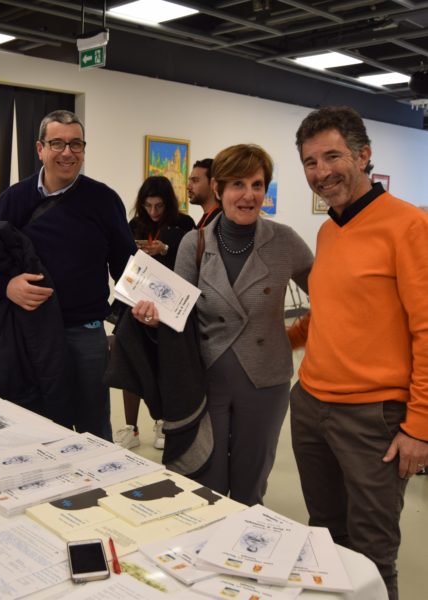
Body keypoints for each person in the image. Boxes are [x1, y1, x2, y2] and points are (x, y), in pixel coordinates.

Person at [288, 106, 428, 600]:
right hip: (311, 407)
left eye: (332, 156)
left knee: (371, 555)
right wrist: (278, 338)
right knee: (326, 538)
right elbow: (327, 313)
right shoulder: (329, 231)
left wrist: (419, 426)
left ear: (364, 155)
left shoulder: (409, 225)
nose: (321, 172)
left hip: (374, 419)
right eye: (310, 162)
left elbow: (426, 330)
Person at [133, 144, 313, 506]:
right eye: (237, 184)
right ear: (218, 188)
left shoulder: (284, 241)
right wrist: (152, 317)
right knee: (206, 484)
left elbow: (330, 296)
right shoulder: (195, 243)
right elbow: (178, 314)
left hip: (265, 382)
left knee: (250, 487)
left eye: (257, 185)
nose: (248, 195)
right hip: (206, 380)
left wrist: (296, 336)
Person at [0, 110, 135, 440]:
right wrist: (6, 286)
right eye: (57, 143)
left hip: (85, 335)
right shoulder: (15, 198)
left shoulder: (103, 200)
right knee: (35, 426)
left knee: (93, 430)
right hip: (28, 333)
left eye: (76, 144)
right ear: (40, 148)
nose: (67, 152)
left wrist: (142, 309)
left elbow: (127, 267)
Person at [114, 176, 195, 451]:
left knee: (162, 365)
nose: (153, 212)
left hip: (167, 308)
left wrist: (165, 249)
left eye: (158, 206)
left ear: (168, 203)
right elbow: (122, 262)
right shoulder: (135, 225)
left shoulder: (184, 224)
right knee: (129, 363)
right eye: (148, 206)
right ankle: (131, 428)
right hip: (136, 303)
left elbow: (192, 260)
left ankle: (162, 421)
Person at [187, 159, 221, 228]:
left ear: (213, 184)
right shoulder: (209, 218)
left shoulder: (220, 221)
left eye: (195, 181)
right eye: (189, 181)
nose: (188, 187)